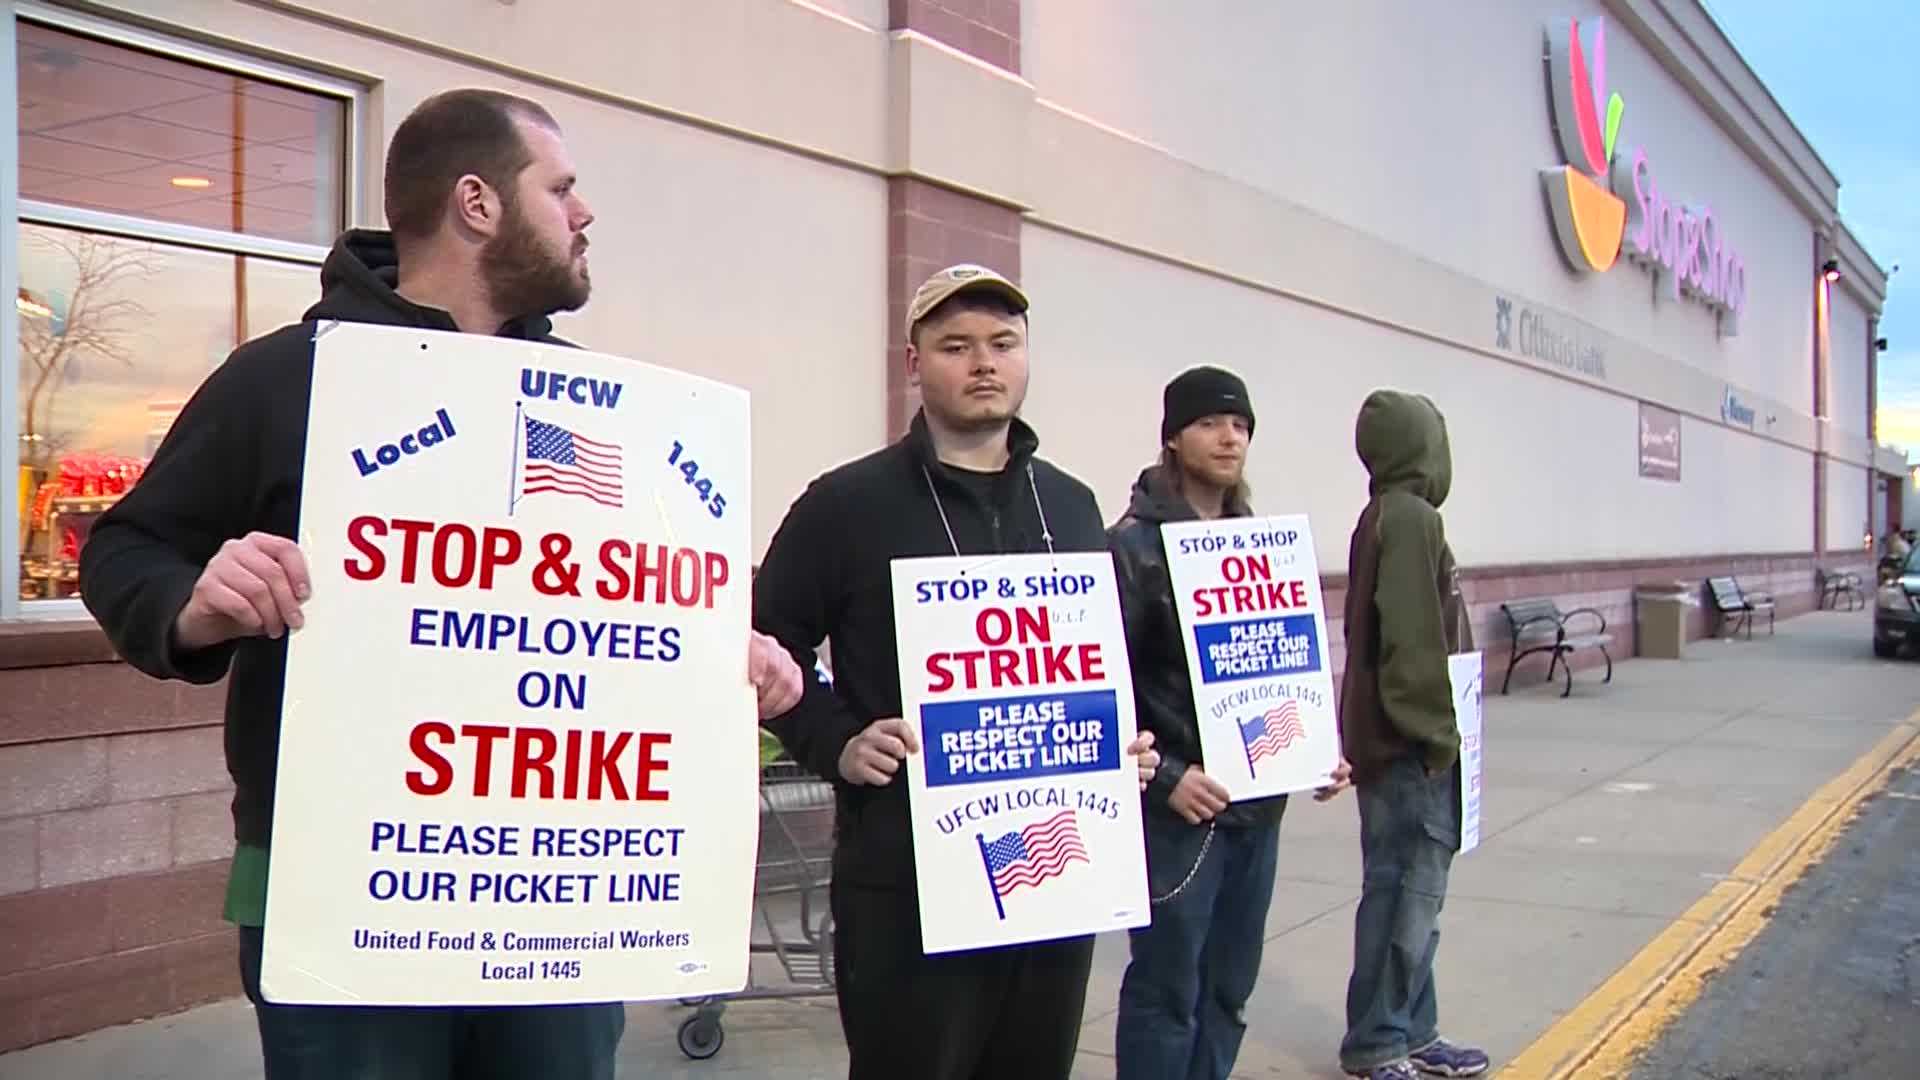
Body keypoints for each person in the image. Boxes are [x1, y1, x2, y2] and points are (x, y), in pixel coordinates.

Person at [78, 88, 804, 1080]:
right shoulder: (291, 377)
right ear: (477, 202)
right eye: (562, 189)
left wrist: (731, 653)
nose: (584, 215)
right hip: (345, 892)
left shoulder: (605, 409)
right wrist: (193, 600)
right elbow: (126, 548)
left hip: (563, 896)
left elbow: (648, 600)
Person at [752, 264, 1160, 1080]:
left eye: (1003, 344)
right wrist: (834, 739)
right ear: (914, 364)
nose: (983, 363)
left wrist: (1123, 749)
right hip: (904, 881)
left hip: (1055, 876)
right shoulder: (847, 504)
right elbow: (764, 644)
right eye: (956, 346)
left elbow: (1094, 659)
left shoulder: (1073, 507)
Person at [1107, 366, 1351, 1080]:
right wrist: (1166, 781)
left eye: (1240, 425)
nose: (1229, 437)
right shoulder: (1130, 548)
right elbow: (1104, 688)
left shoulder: (1262, 545)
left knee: (1229, 992)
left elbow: (1283, 666)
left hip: (1259, 811)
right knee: (1166, 991)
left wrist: (1316, 751)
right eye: (1212, 422)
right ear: (1174, 439)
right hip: (1183, 814)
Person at [1334, 390, 1488, 1079]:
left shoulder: (1382, 517)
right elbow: (1411, 642)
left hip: (1392, 744)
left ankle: (1413, 1030)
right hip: (1409, 751)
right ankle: (1378, 1042)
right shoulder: (1411, 518)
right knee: (1403, 895)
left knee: (1411, 896)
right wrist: (1437, 738)